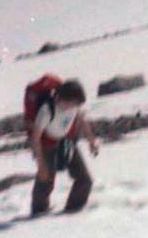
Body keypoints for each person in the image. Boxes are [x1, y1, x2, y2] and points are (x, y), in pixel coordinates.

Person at [28, 79, 99, 216]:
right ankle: (38, 212)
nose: (75, 106)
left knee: (84, 179)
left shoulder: (74, 107)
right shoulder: (46, 111)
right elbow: (35, 138)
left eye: (77, 104)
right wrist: (41, 164)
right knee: (45, 180)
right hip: (46, 144)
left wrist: (92, 141)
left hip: (66, 141)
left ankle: (73, 210)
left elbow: (82, 120)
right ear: (64, 98)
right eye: (73, 103)